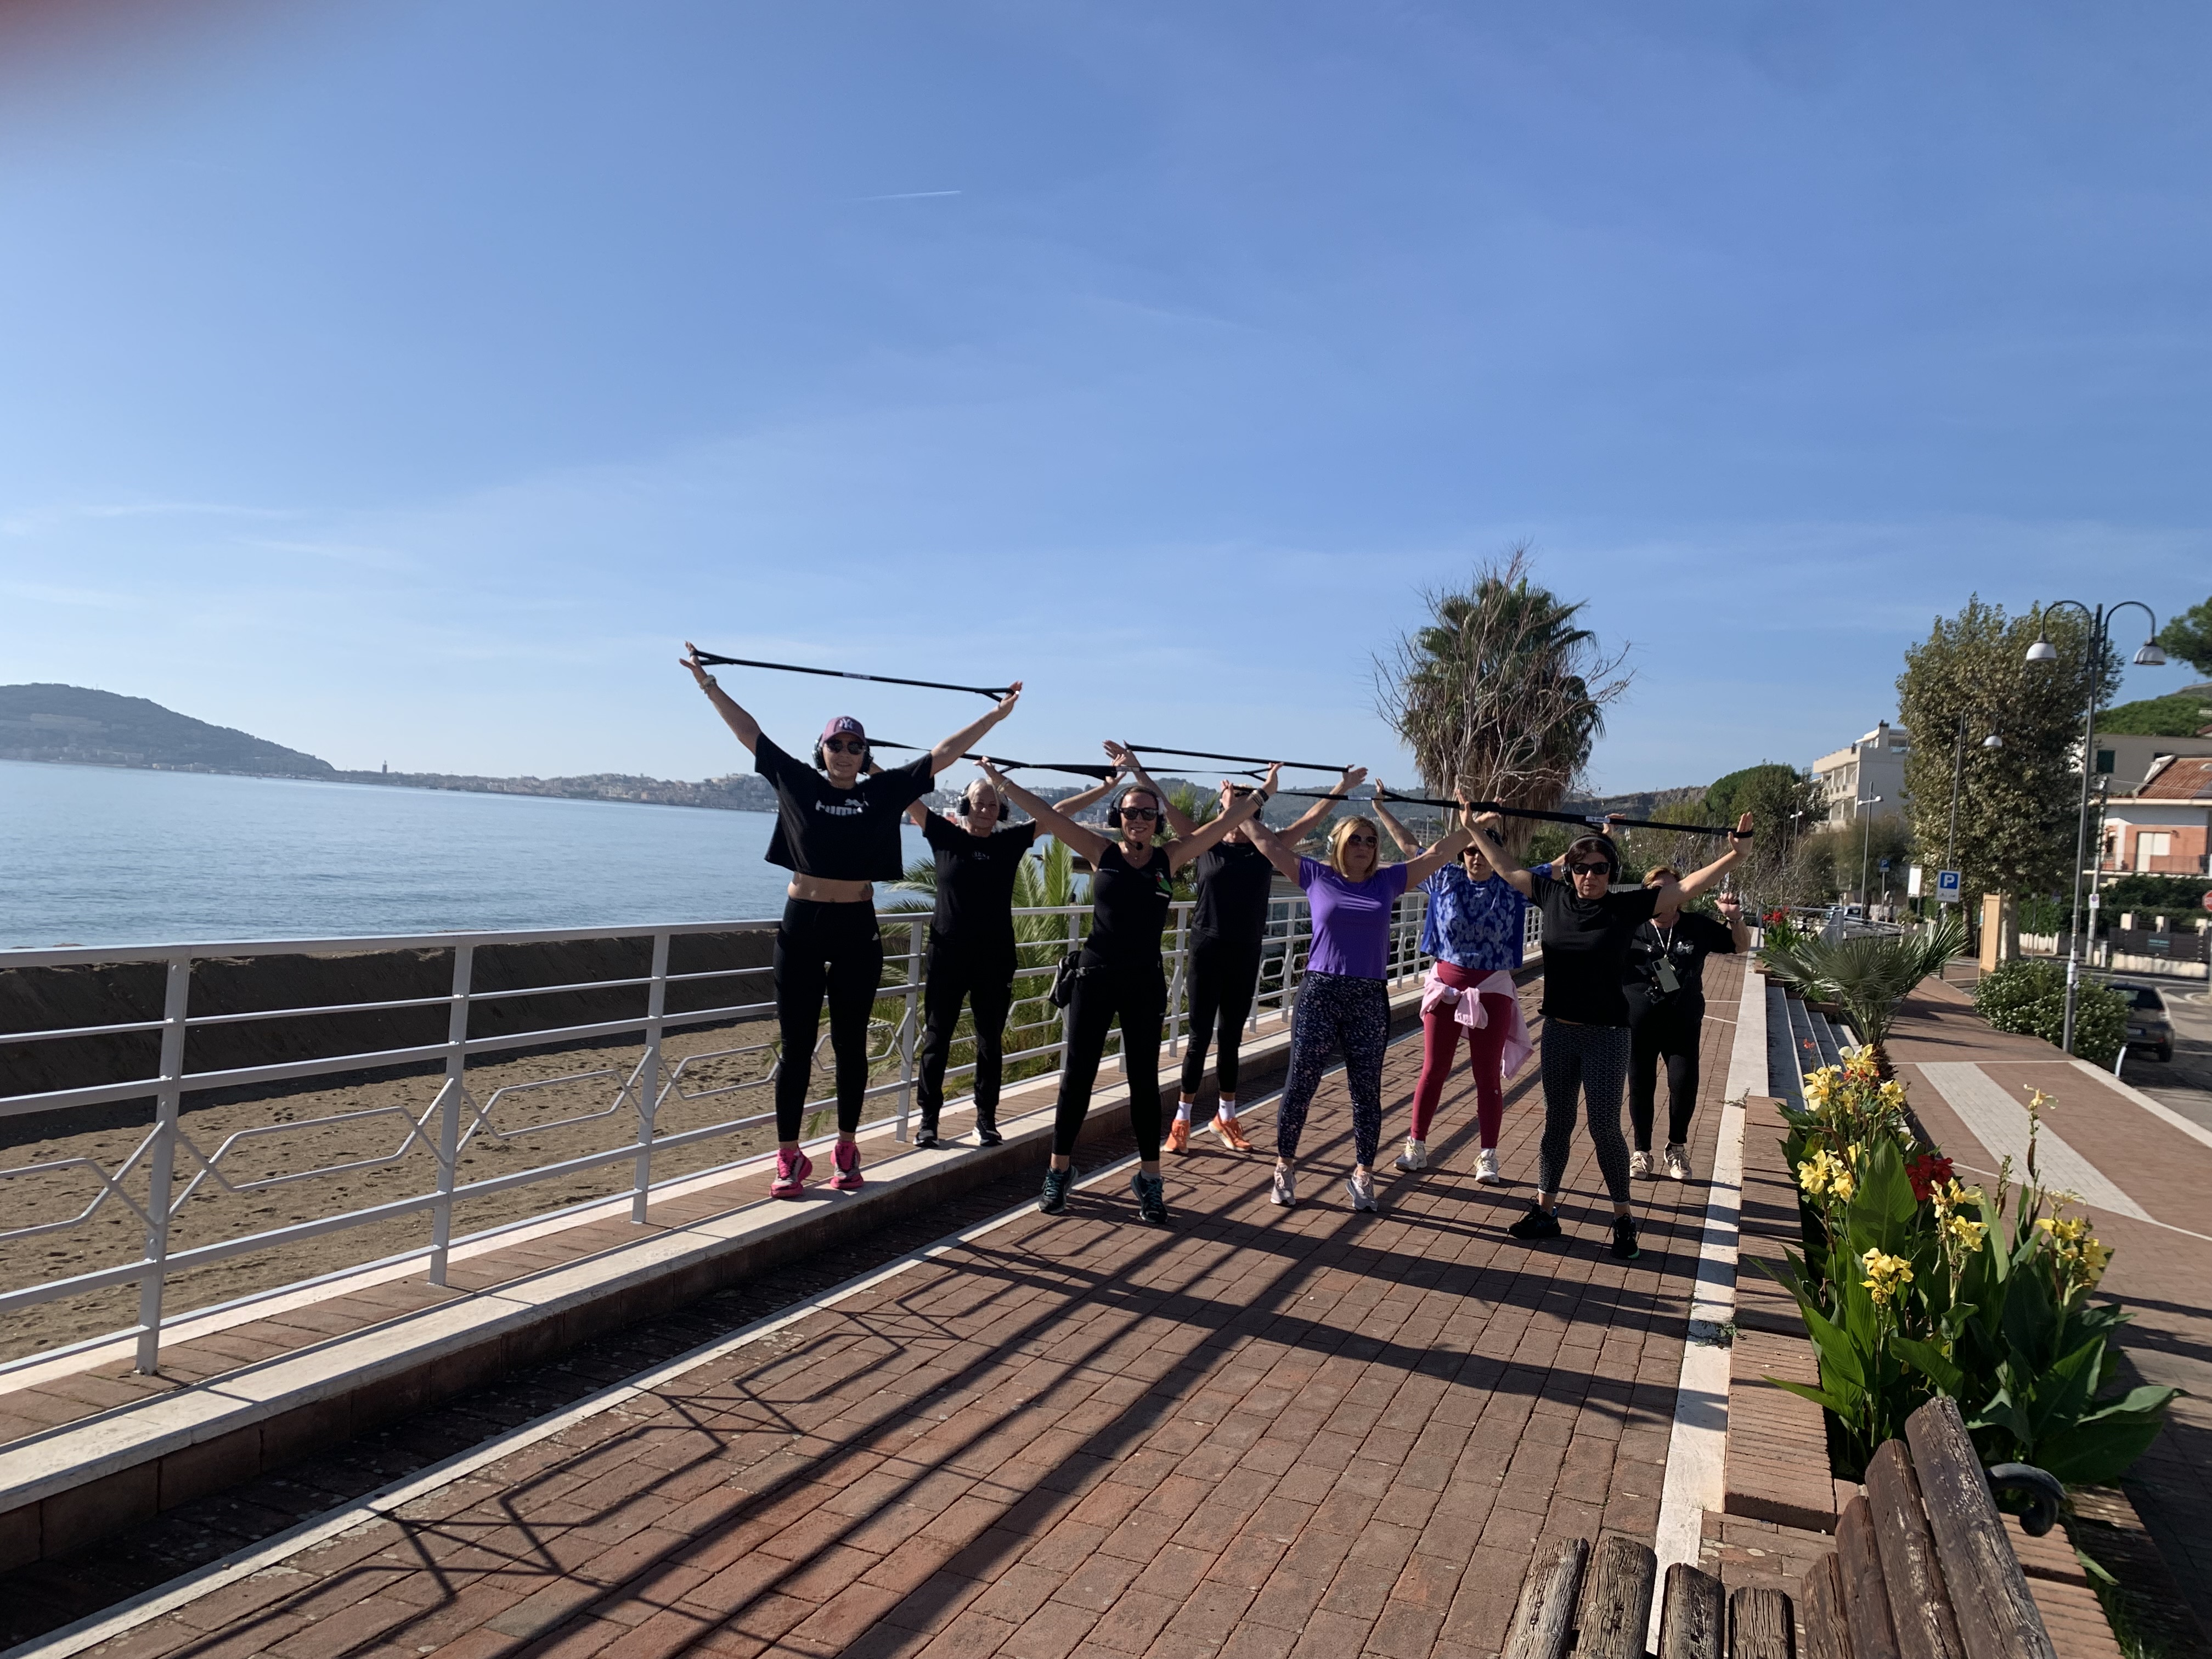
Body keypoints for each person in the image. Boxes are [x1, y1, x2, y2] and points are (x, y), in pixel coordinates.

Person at [679, 644, 1021, 1199]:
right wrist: (708, 685)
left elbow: (943, 753)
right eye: (835, 744)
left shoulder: (883, 793)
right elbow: (750, 734)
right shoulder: (798, 781)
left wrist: (996, 715)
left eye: (854, 745)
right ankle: (788, 1156)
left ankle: (845, 1148)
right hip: (803, 925)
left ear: (866, 755)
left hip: (857, 928)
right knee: (795, 1045)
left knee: (850, 1045)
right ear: (822, 750)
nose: (844, 752)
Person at [973, 755, 1280, 1224]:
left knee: (1143, 1084)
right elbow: (1050, 815)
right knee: (1077, 1079)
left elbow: (1227, 821)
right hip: (1095, 978)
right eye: (1131, 812)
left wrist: (1263, 794)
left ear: (1157, 821)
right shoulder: (1102, 852)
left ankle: (1150, 1180)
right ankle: (1058, 1172)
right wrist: (1001, 782)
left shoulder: (1170, 857)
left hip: (1144, 982)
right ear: (1119, 818)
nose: (1138, 820)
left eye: (1147, 814)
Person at [1463, 811, 1752, 1260]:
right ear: (1571, 870)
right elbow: (1504, 866)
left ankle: (1623, 1220)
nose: (1590, 876)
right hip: (1559, 1031)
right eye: (1581, 868)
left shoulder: (1625, 907)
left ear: (1611, 873)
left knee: (1604, 1128)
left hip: (1608, 1035)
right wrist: (1473, 828)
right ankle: (1546, 1210)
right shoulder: (1552, 896)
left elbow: (1687, 888)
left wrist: (1735, 854)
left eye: (1600, 868)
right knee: (1556, 1124)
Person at [1104, 744, 1365, 1155]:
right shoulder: (1205, 842)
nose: (1238, 823)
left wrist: (1342, 786)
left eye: (1246, 813)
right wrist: (1137, 769)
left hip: (1245, 950)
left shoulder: (1266, 850)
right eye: (1233, 811)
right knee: (1198, 1037)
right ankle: (1182, 1120)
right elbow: (1165, 807)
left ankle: (1226, 1116)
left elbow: (1312, 818)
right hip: (1206, 948)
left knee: (1230, 1039)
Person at [1245, 801, 1472, 1211]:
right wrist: (1240, 810)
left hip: (1368, 995)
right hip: (1321, 992)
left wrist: (1473, 827)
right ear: (1340, 845)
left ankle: (1364, 1174)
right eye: (1356, 840)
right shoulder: (1316, 875)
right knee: (1301, 1084)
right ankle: (1285, 1166)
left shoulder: (1387, 882)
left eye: (1371, 841)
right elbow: (1265, 843)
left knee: (1366, 1091)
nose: (1364, 846)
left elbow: (1437, 854)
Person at [902, 769, 1119, 1149]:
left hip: (995, 959)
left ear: (1001, 810)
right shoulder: (944, 835)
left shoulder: (1009, 842)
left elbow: (1058, 811)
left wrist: (1105, 788)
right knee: (937, 1038)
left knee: (990, 1042)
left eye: (993, 804)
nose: (985, 809)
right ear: (964, 805)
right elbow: (904, 795)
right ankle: (929, 1120)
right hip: (947, 956)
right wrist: (869, 765)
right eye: (978, 802)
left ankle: (986, 1119)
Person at [1373, 794, 1531, 1184]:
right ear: (1462, 853)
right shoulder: (1443, 878)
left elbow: (1566, 870)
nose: (1477, 857)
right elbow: (1411, 847)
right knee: (1434, 1069)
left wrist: (1604, 836)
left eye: (1485, 851)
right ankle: (1416, 1144)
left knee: (1486, 1075)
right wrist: (1382, 809)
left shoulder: (1512, 886)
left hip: (1492, 988)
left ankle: (1488, 1155)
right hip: (1445, 986)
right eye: (1470, 850)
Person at [1623, 867, 1749, 1181]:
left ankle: (1676, 1148)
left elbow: (1741, 946)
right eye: (1655, 888)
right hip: (1639, 1026)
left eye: (1670, 889)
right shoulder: (1630, 927)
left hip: (1682, 1025)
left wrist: (1734, 918)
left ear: (1682, 895)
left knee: (1683, 1086)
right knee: (1641, 1087)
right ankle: (1641, 1153)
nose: (1663, 895)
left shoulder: (1696, 927)